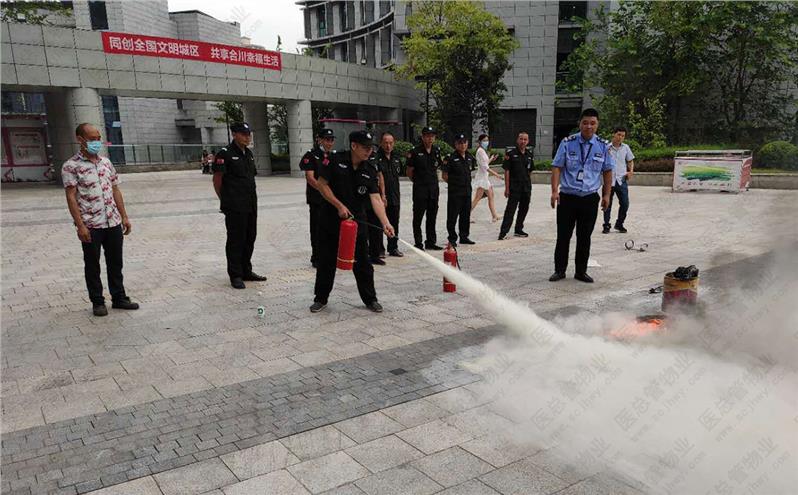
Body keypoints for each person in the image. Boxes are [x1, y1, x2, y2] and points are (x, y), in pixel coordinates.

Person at [311, 130, 395, 313]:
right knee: (326, 261)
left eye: (370, 148)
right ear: (353, 146)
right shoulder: (334, 160)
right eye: (365, 148)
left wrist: (385, 223)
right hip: (330, 220)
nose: (369, 152)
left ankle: (370, 299)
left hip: (357, 222)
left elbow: (375, 198)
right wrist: (338, 205)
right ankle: (321, 298)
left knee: (363, 262)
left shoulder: (369, 168)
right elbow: (321, 185)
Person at [61, 123, 139, 316]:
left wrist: (124, 217)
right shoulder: (71, 166)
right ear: (80, 139)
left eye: (98, 138)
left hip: (112, 221)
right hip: (91, 224)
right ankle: (97, 301)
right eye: (92, 139)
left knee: (115, 262)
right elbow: (71, 197)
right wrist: (80, 226)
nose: (97, 142)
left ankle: (119, 297)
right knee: (92, 264)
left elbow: (115, 190)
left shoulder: (106, 163)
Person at [549, 108, 614, 283]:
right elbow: (557, 166)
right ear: (580, 123)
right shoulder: (567, 142)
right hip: (568, 197)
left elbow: (608, 171)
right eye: (585, 123)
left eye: (592, 123)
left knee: (584, 237)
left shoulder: (603, 146)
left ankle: (581, 271)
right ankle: (559, 270)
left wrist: (606, 195)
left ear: (597, 124)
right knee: (563, 236)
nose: (589, 126)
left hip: (590, 198)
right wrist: (554, 191)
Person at [212, 122, 268, 289]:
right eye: (243, 134)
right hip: (235, 206)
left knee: (250, 237)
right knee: (236, 240)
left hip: (250, 204)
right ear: (234, 134)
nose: (247, 137)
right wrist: (226, 200)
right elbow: (217, 180)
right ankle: (235, 274)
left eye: (248, 134)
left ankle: (246, 270)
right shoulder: (225, 154)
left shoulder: (248, 154)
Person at [299, 128, 336, 268]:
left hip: (332, 199)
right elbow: (310, 177)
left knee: (330, 228)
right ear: (319, 139)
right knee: (317, 228)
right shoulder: (312, 155)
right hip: (318, 199)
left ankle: (329, 254)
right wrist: (323, 191)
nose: (329, 142)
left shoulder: (333, 156)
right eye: (327, 139)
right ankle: (317, 257)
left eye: (331, 140)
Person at [406, 126, 443, 250]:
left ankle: (431, 242)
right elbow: (410, 171)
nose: (430, 138)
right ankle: (418, 242)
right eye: (427, 135)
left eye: (432, 136)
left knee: (432, 217)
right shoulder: (415, 151)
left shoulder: (436, 150)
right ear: (422, 137)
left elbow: (438, 167)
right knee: (418, 217)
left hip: (433, 190)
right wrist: (418, 182)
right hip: (420, 190)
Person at [498, 132, 534, 240]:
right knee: (510, 210)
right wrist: (507, 188)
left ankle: (519, 229)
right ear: (517, 140)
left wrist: (528, 183)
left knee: (524, 209)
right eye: (521, 139)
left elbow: (530, 171)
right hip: (515, 187)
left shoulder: (529, 155)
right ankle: (503, 232)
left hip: (526, 187)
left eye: (525, 139)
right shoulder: (511, 154)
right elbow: (507, 171)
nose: (523, 141)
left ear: (528, 141)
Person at [442, 133, 476, 246]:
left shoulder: (470, 157)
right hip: (455, 192)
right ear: (456, 144)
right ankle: (452, 238)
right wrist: (454, 185)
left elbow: (470, 172)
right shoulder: (450, 158)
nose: (463, 145)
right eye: (460, 143)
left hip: (467, 191)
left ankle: (464, 236)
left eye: (465, 143)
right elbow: (444, 175)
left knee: (465, 215)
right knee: (452, 216)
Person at [375, 131, 404, 257]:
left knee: (394, 222)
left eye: (390, 143)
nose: (388, 146)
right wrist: (382, 195)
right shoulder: (376, 158)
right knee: (379, 223)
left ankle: (393, 247)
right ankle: (379, 249)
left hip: (395, 196)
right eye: (386, 143)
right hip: (381, 197)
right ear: (381, 143)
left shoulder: (396, 157)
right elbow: (378, 177)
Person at [602, 126, 635, 234]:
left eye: (623, 136)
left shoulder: (626, 148)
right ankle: (606, 225)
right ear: (614, 134)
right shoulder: (606, 148)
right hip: (609, 180)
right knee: (607, 203)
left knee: (625, 203)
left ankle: (619, 223)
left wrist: (630, 171)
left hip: (621, 179)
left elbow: (630, 160)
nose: (620, 137)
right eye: (619, 135)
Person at [470, 133, 503, 222]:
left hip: (484, 177)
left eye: (487, 140)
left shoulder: (482, 150)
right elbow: (485, 167)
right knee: (478, 198)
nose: (486, 142)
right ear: (480, 141)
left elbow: (485, 164)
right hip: (482, 178)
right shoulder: (480, 151)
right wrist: (497, 175)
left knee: (490, 196)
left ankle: (494, 215)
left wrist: (492, 159)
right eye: (484, 140)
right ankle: (466, 215)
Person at [365, 147, 387, 265]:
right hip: (362, 198)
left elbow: (380, 176)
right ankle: (363, 255)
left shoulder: (375, 157)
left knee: (376, 227)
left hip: (375, 195)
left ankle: (375, 254)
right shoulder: (356, 159)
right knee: (363, 230)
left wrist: (383, 194)